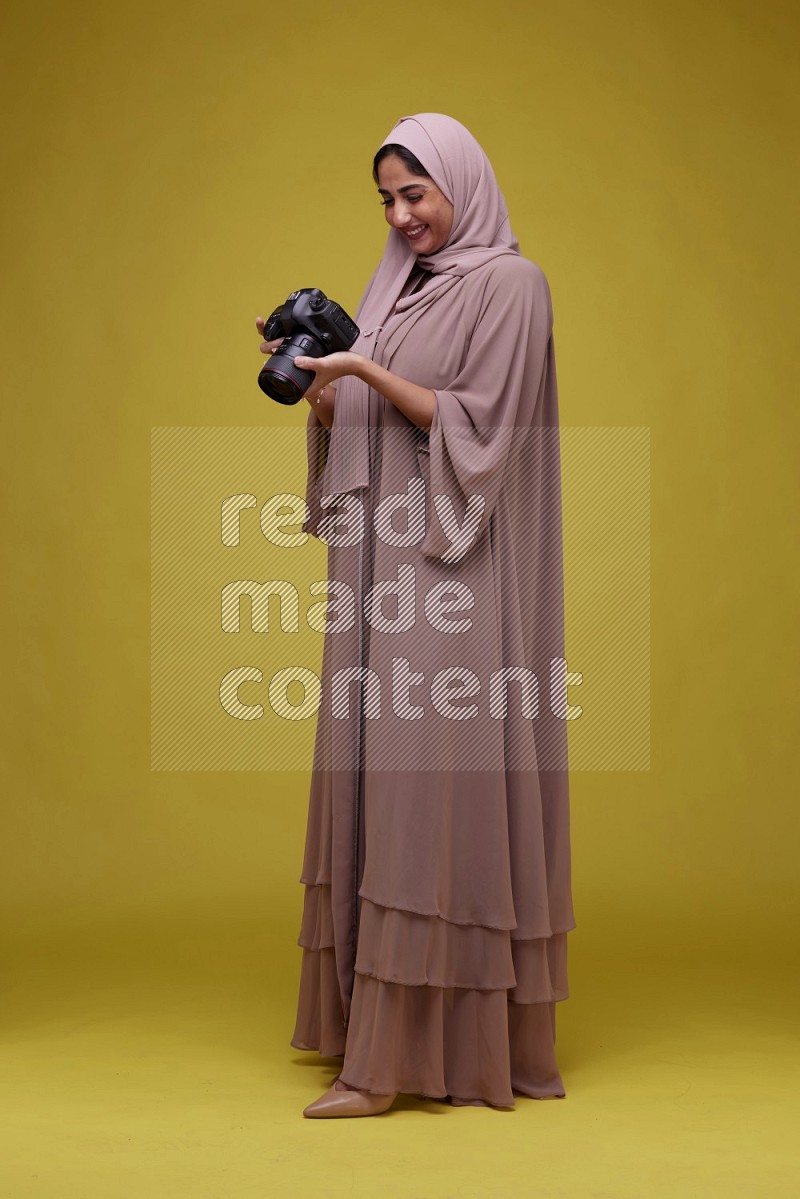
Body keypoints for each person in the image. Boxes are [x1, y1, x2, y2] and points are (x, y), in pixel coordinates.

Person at [256, 112, 576, 1117]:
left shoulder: (512, 286)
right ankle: (374, 1030)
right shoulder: (393, 292)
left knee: (424, 784)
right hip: (378, 562)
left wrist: (362, 370)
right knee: (373, 770)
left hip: (452, 562)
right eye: (388, 200)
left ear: (461, 186)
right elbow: (368, 421)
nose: (402, 217)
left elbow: (481, 423)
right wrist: (318, 384)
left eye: (416, 195)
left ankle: (406, 1059)